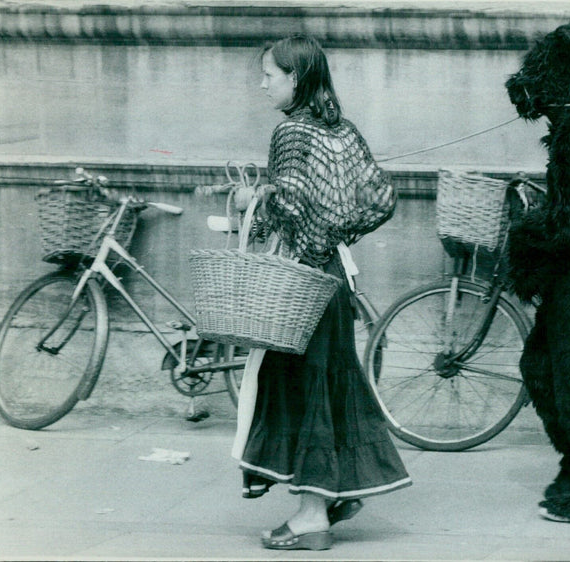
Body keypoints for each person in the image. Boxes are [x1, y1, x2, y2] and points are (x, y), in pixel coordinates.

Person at [233, 34, 411, 551]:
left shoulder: (290, 132)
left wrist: (253, 197)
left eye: (270, 74)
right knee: (332, 385)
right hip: (335, 278)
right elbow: (381, 197)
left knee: (301, 389)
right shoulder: (343, 130)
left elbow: (289, 204)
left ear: (297, 79)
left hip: (300, 280)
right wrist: (338, 229)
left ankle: (312, 513)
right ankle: (334, 492)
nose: (263, 83)